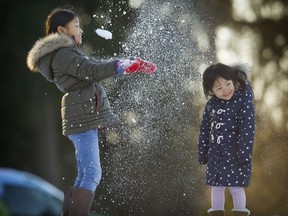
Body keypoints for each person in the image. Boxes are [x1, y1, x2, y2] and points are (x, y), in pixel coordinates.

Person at [26, 7, 157, 216]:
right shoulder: (62, 54)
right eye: (76, 26)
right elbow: (90, 71)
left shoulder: (67, 52)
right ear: (61, 30)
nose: (80, 30)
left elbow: (92, 65)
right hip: (82, 117)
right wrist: (118, 66)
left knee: (85, 174)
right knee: (93, 173)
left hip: (82, 115)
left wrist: (126, 64)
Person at [197, 63, 255, 216]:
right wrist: (202, 153)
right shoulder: (211, 105)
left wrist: (244, 152)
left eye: (228, 84)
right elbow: (204, 130)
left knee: (236, 187)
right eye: (219, 87)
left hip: (236, 154)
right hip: (216, 155)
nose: (225, 90)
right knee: (216, 187)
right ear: (211, 91)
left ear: (233, 81)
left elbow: (247, 128)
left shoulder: (242, 101)